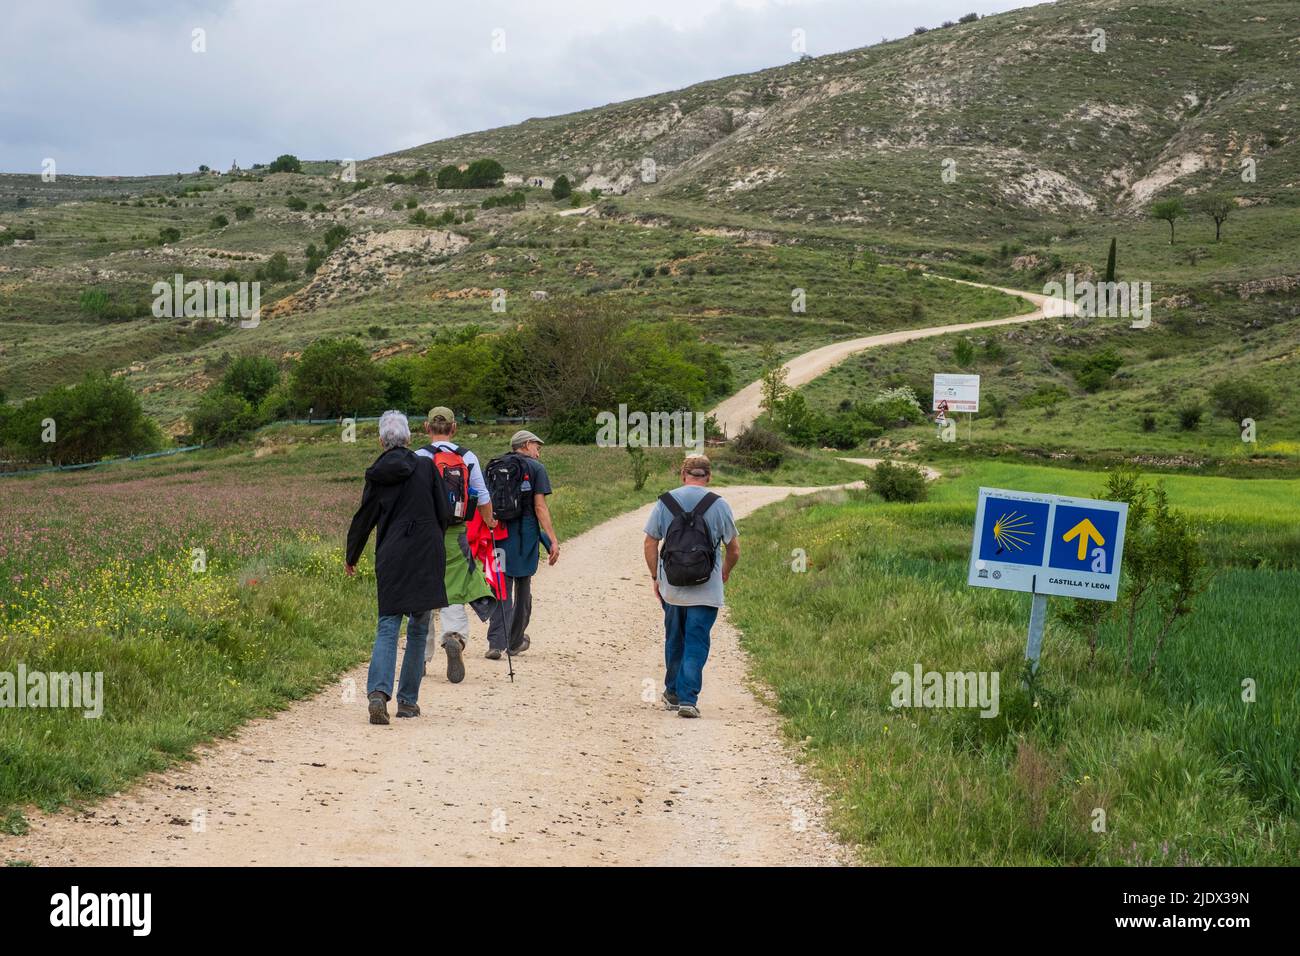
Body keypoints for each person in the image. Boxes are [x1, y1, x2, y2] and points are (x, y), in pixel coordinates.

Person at [346, 410, 451, 725]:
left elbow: (364, 518)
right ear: (408, 438)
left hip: (392, 555)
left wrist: (352, 555)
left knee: (388, 625)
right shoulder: (427, 467)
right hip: (425, 553)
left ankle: (378, 693)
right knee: (419, 626)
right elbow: (444, 511)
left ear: (381, 440)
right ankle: (407, 702)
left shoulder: (376, 473)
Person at [642, 454, 739, 719]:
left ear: (683, 475)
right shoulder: (719, 505)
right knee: (696, 642)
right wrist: (725, 572)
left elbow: (650, 543)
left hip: (672, 588)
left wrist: (655, 576)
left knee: (675, 639)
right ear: (708, 476)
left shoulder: (665, 502)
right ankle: (688, 699)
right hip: (706, 589)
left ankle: (671, 692)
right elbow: (734, 550)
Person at [414, 407, 497, 683]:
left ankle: (420, 657)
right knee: (455, 590)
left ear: (427, 427)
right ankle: (453, 637)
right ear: (454, 428)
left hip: (426, 534)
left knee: (424, 593)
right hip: (456, 533)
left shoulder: (419, 456)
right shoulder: (467, 456)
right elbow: (483, 497)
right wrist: (491, 523)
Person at [484, 430, 559, 658]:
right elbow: (539, 508)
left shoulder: (495, 466)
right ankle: (515, 641)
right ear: (526, 445)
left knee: (500, 587)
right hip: (524, 537)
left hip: (500, 534)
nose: (538, 452)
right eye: (537, 447)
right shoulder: (536, 469)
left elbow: (485, 502)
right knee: (523, 588)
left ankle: (496, 643)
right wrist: (552, 540)